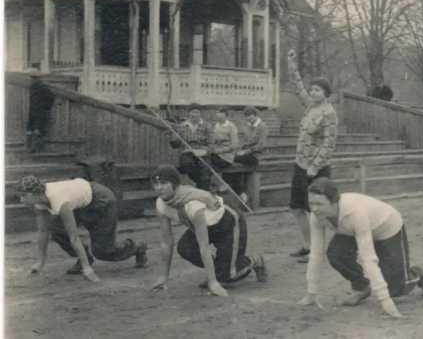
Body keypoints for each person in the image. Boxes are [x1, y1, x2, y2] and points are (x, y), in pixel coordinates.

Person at [298, 178, 423, 318]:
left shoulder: (355, 213)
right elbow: (315, 253)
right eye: (311, 203)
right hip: (350, 230)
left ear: (334, 202)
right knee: (336, 254)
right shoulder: (317, 215)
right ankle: (361, 287)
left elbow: (368, 258)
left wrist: (385, 301)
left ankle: (420, 272)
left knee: (396, 289)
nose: (314, 209)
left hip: (386, 228)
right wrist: (311, 293)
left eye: (319, 204)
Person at [149, 165, 266, 297]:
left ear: (175, 184)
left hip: (228, 223)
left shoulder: (192, 205)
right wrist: (163, 277)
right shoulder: (161, 204)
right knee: (185, 248)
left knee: (227, 278)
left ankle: (255, 260)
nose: (159, 188)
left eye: (164, 183)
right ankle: (219, 271)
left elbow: (203, 246)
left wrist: (213, 282)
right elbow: (166, 242)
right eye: (156, 184)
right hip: (207, 226)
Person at [17, 175, 147, 282]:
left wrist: (87, 269)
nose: (21, 200)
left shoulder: (59, 201)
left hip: (101, 200)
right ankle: (86, 258)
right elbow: (43, 231)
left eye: (24, 195)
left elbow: (74, 237)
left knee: (103, 252)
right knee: (56, 229)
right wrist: (40, 262)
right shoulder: (39, 202)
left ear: (35, 193)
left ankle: (137, 247)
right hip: (80, 203)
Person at [287, 49, 338, 263]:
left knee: (319, 211)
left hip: (316, 169)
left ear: (326, 93)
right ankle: (307, 246)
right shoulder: (310, 106)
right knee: (297, 208)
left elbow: (329, 143)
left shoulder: (329, 113)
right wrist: (291, 64)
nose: (313, 92)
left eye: (318, 90)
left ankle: (326, 249)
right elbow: (298, 87)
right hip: (301, 164)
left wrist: (315, 167)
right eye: (312, 89)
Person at [170, 104, 213, 191]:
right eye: (193, 112)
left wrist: (206, 151)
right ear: (189, 114)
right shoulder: (182, 126)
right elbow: (174, 145)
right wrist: (175, 139)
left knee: (206, 170)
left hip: (202, 152)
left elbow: (212, 143)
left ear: (200, 114)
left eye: (197, 112)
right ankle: (202, 186)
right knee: (187, 165)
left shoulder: (207, 126)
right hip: (187, 152)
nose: (195, 115)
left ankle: (203, 192)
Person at [26, 75, 55, 153]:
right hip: (34, 111)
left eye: (32, 79)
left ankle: (34, 148)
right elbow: (51, 97)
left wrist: (46, 107)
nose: (31, 80)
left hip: (37, 111)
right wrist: (47, 107)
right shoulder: (35, 87)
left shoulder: (42, 88)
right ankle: (32, 148)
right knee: (33, 130)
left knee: (36, 130)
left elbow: (51, 97)